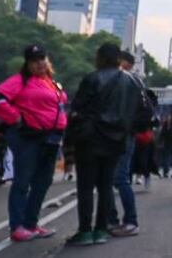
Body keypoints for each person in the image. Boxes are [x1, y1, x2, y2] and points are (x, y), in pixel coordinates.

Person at [0, 44, 68, 242]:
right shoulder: (20, 81)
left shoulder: (51, 82)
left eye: (42, 58)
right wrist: (16, 118)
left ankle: (31, 223)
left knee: (43, 181)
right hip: (29, 137)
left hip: (51, 138)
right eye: (35, 60)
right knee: (23, 181)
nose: (40, 63)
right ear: (28, 63)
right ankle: (17, 226)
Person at [65, 43, 142, 247]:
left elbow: (78, 107)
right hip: (117, 139)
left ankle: (84, 231)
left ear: (100, 57)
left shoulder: (92, 78)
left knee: (86, 186)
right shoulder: (133, 81)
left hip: (91, 138)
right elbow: (142, 111)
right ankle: (101, 229)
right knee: (106, 185)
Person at [105, 51, 153, 238]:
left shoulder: (123, 81)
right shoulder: (135, 82)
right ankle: (117, 220)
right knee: (114, 178)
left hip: (119, 134)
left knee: (117, 178)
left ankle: (127, 220)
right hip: (125, 134)